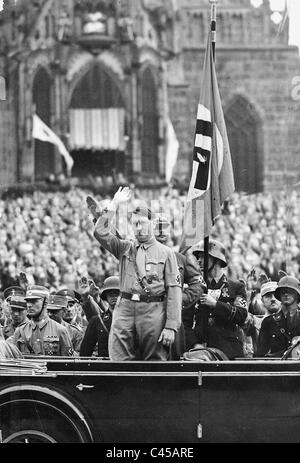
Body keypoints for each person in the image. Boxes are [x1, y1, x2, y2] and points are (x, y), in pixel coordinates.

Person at [93, 186, 182, 361]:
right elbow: (100, 232)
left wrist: (171, 326)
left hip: (152, 310)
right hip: (124, 308)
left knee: (154, 361)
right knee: (119, 359)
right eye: (135, 224)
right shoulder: (125, 248)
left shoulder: (166, 253)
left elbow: (174, 291)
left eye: (142, 223)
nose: (139, 228)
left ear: (152, 224)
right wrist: (114, 204)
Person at [184, 239, 248, 359]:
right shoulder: (195, 288)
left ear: (217, 259)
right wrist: (194, 344)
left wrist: (215, 304)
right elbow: (185, 322)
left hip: (229, 350)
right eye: (198, 257)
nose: (199, 260)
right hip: (199, 350)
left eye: (203, 257)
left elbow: (241, 315)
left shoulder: (236, 286)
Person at [153, 214, 206, 358]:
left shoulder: (180, 258)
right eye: (157, 228)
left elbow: (199, 283)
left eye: (165, 228)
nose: (161, 231)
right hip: (147, 316)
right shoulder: (140, 257)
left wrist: (180, 298)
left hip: (174, 318)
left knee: (174, 361)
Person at [7, 285, 73, 356]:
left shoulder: (60, 330)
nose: (29, 305)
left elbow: (68, 363)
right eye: (28, 301)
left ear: (45, 302)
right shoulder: (20, 331)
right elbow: (14, 360)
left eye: (33, 301)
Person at [256, 276, 300, 357]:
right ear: (279, 296)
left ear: (297, 294)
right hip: (277, 367)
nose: (286, 294)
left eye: (290, 291)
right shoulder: (269, 322)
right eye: (283, 292)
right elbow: (260, 354)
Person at [80, 276, 120, 358]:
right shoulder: (98, 320)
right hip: (105, 367)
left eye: (117, 292)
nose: (113, 296)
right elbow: (85, 352)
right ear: (106, 296)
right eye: (110, 293)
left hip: (127, 367)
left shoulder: (132, 320)